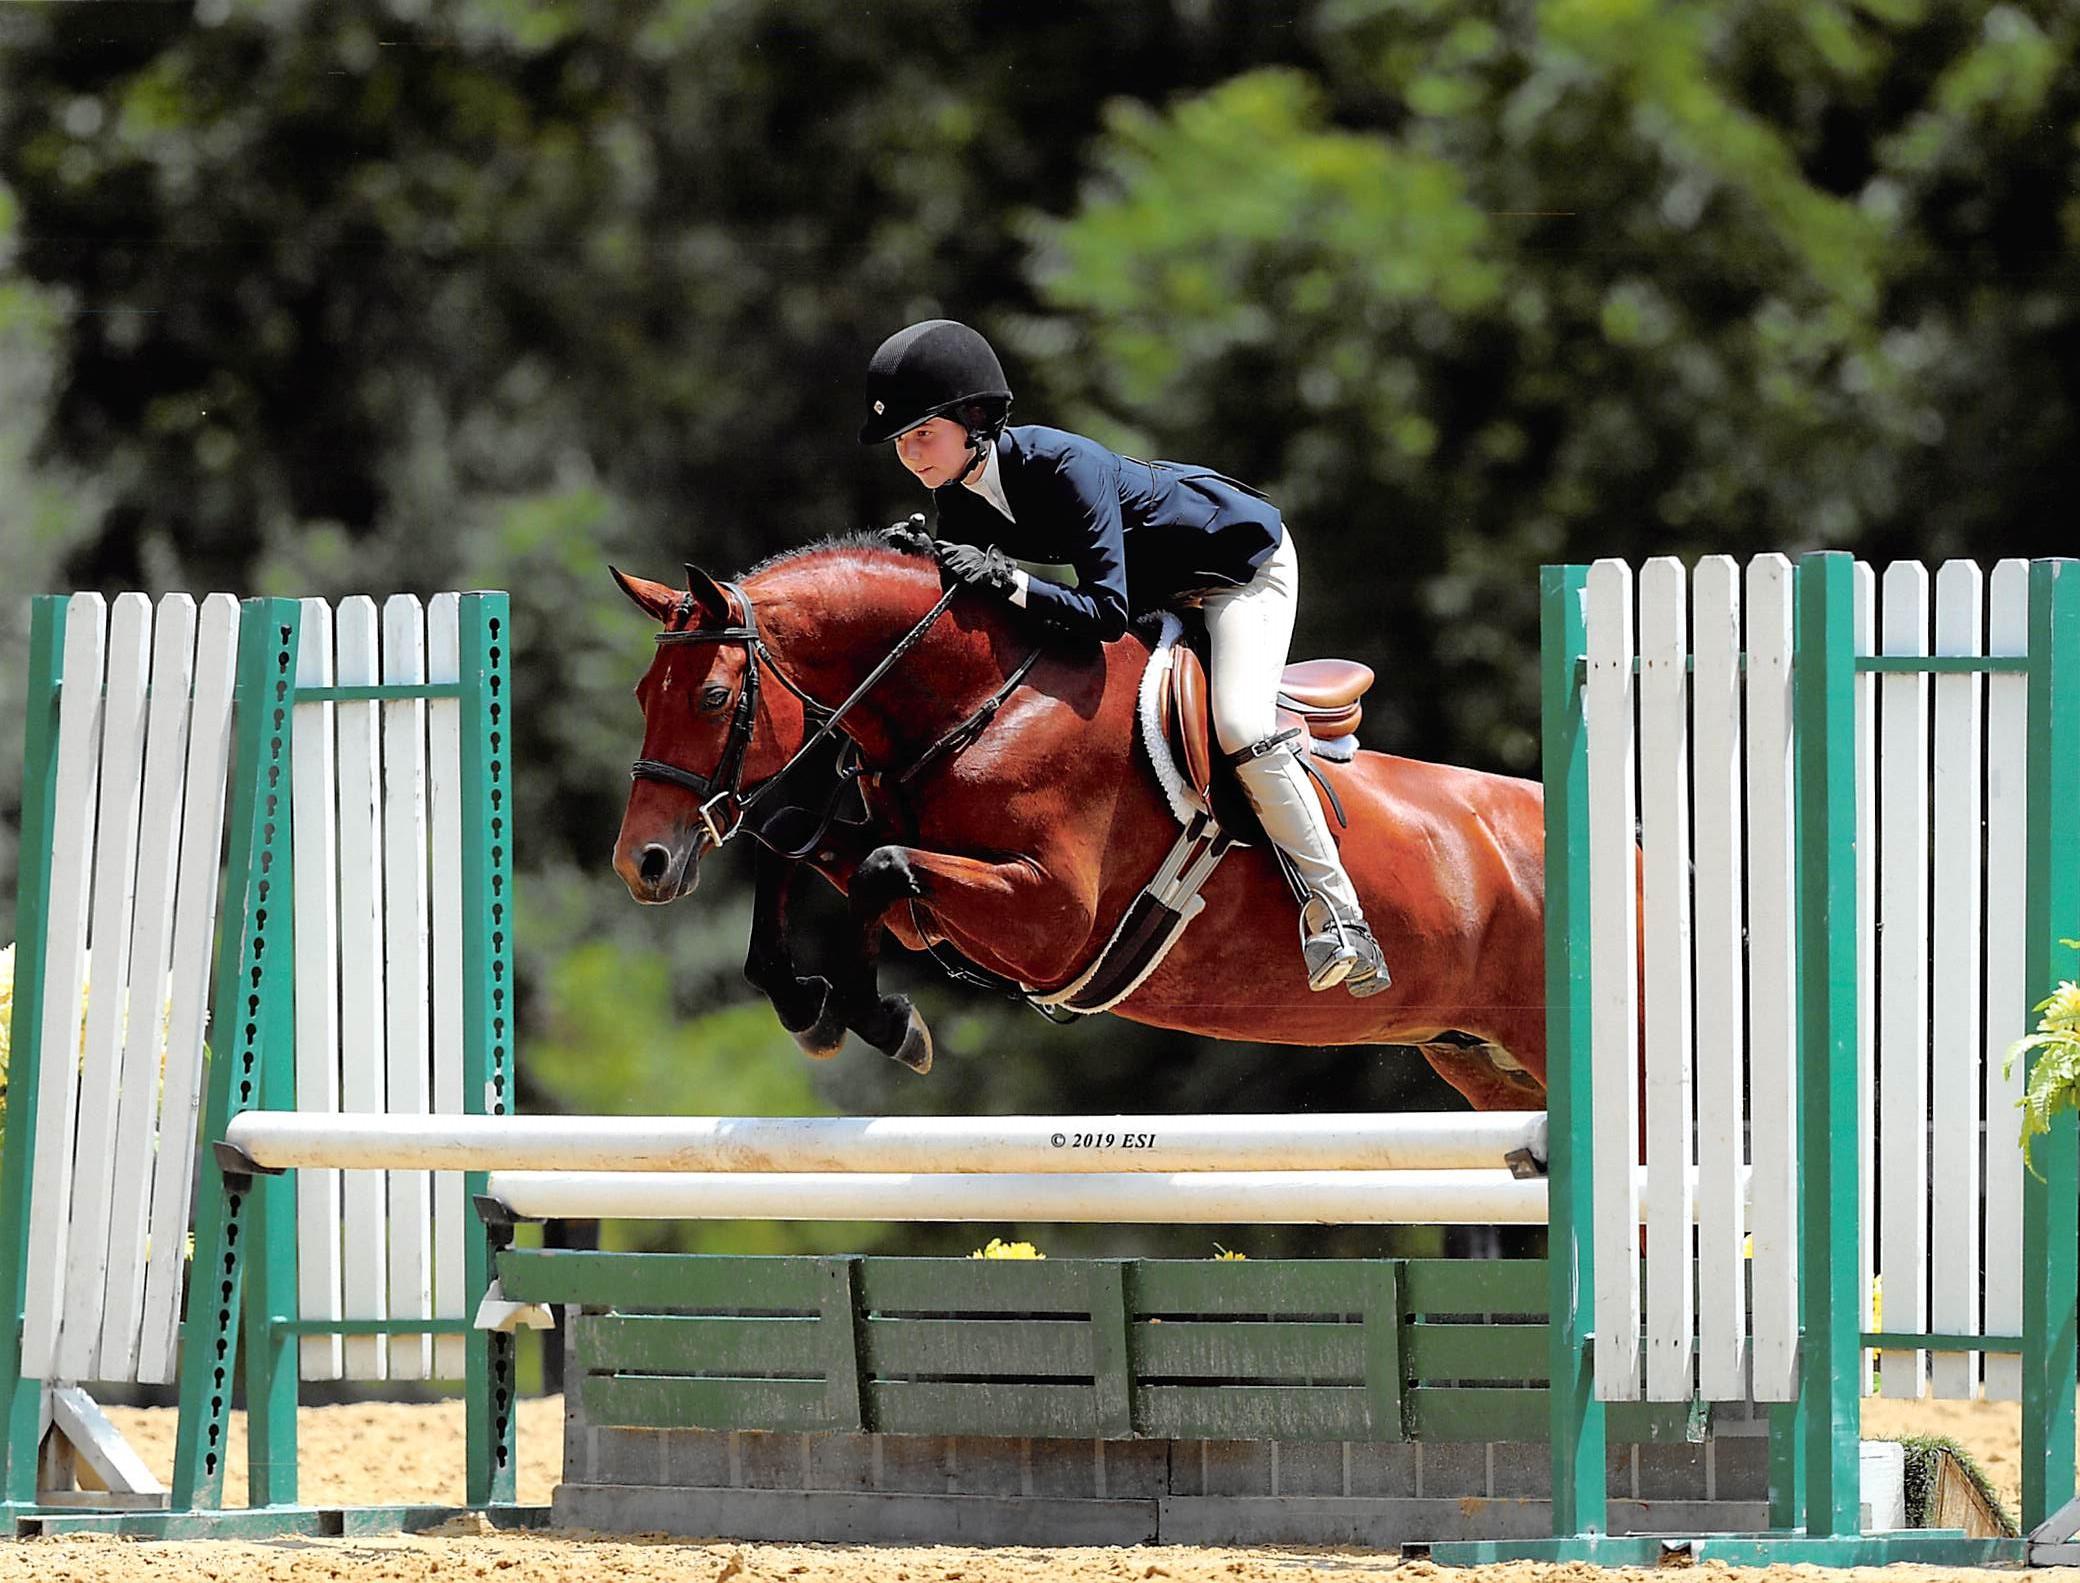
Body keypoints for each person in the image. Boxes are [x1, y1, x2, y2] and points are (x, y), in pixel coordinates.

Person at [859, 317, 1389, 996]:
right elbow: (979, 610)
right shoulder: (956, 497)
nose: (910, 454)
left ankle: (1341, 917)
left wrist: (1009, 580)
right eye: (901, 442)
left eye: (921, 434)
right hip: (1155, 594)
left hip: (1238, 571)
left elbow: (1103, 614)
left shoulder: (1062, 467)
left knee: (1242, 728)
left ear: (973, 418)